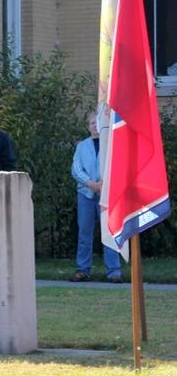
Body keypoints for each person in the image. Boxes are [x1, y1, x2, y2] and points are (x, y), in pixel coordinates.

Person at [70, 111, 122, 283]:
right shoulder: (81, 146)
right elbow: (76, 169)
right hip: (86, 194)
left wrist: (104, 184)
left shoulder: (110, 144)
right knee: (85, 232)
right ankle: (83, 270)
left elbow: (117, 165)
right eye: (91, 123)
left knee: (109, 232)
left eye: (97, 123)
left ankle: (114, 271)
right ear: (88, 127)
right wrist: (91, 183)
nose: (94, 126)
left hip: (107, 195)